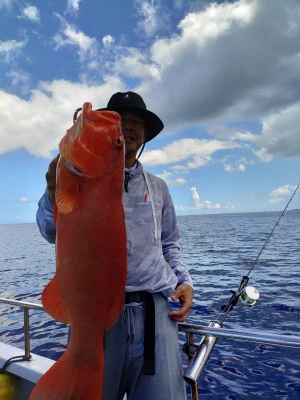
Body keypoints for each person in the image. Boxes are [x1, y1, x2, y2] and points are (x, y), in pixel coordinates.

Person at [36, 91, 194, 400]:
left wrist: (184, 281)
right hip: (98, 317)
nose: (130, 128)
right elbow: (50, 230)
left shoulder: (159, 187)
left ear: (146, 134)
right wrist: (54, 190)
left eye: (138, 123)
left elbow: (170, 243)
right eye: (122, 122)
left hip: (156, 313)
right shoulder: (76, 175)